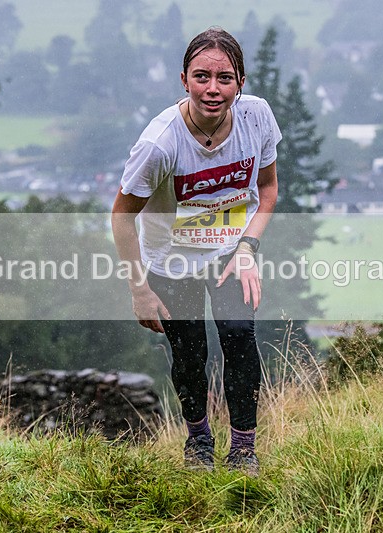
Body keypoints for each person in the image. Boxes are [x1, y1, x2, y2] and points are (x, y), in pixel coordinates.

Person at [111, 27, 280, 476]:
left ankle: (244, 449)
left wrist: (247, 246)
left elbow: (267, 189)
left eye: (225, 78)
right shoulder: (159, 144)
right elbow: (121, 215)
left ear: (240, 82)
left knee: (239, 336)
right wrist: (139, 290)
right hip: (172, 259)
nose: (213, 88)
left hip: (229, 250)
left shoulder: (257, 118)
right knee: (190, 354)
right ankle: (199, 441)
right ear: (183, 79)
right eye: (202, 76)